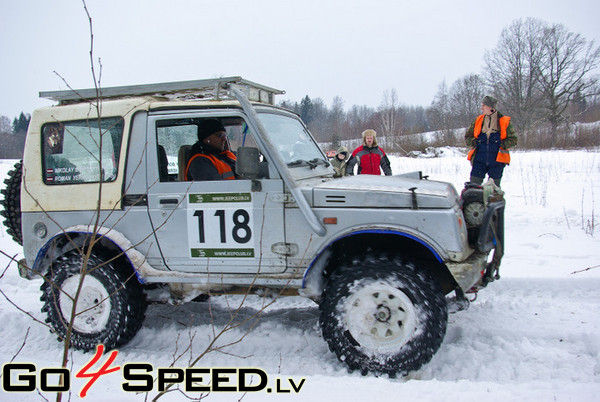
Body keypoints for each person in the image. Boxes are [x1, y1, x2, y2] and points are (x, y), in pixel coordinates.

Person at [465, 96, 517, 187]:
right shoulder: (478, 120)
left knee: (494, 191)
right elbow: (467, 137)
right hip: (479, 160)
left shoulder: (504, 121)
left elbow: (513, 140)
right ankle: (475, 201)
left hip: (497, 161)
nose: (481, 107)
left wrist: (502, 144)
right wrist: (474, 142)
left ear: (491, 107)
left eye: (483, 105)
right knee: (473, 187)